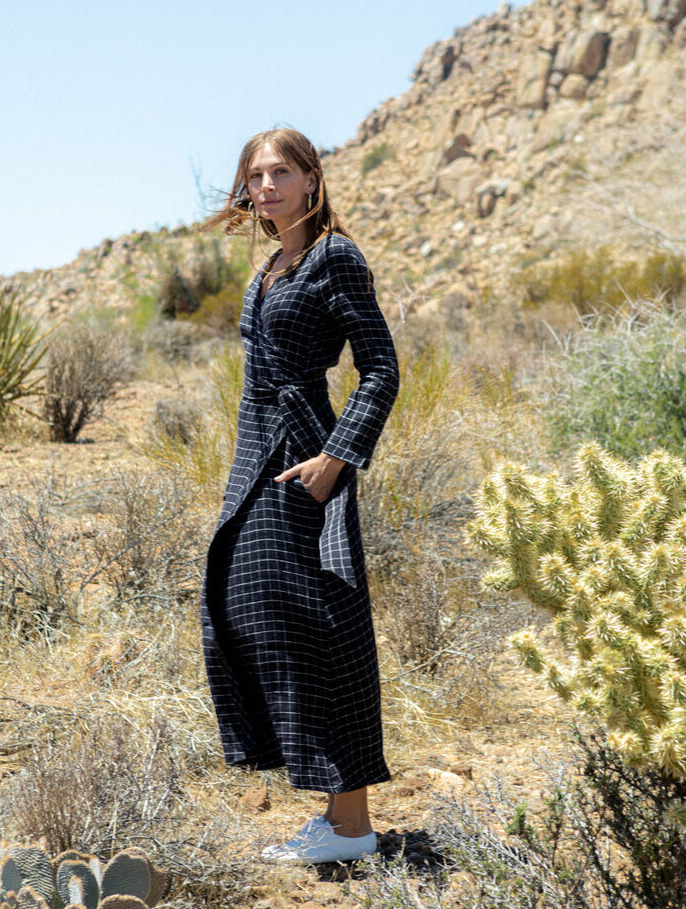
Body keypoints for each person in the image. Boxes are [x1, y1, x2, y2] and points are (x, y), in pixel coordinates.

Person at [201, 128, 400, 864]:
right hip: (256, 452)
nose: (266, 186)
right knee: (243, 608)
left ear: (314, 180)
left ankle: (350, 827)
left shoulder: (333, 257)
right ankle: (340, 817)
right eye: (255, 175)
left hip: (304, 456)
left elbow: (381, 368)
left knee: (318, 622)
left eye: (282, 172)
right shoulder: (272, 265)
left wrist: (336, 459)